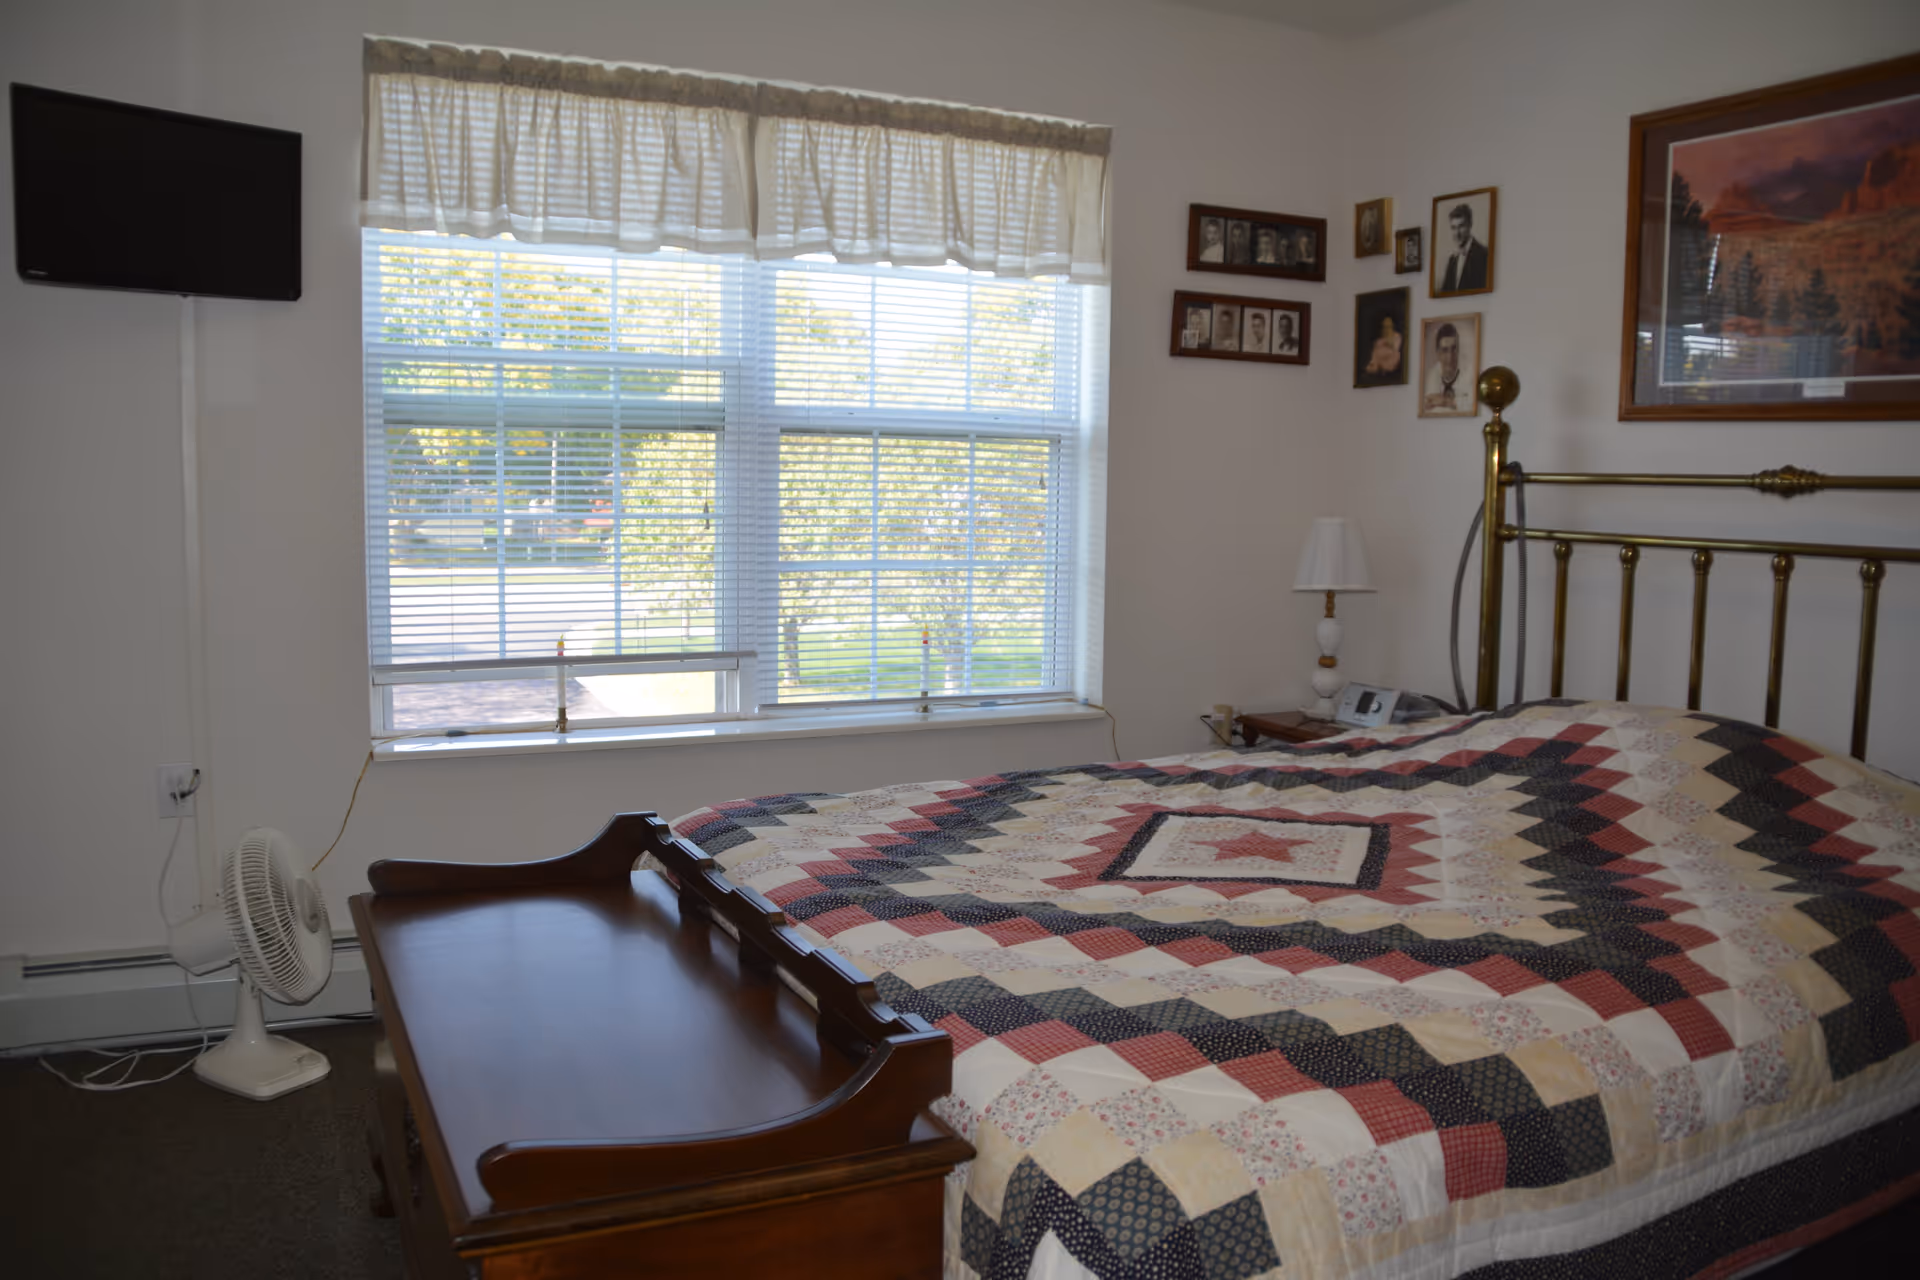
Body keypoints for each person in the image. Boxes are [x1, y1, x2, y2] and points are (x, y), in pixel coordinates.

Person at [1438, 202, 1488, 292]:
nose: (1457, 233)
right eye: (1453, 228)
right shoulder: (1452, 260)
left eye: (1461, 226)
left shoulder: (1484, 255)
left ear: (1470, 225)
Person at [1423, 322, 1466, 411]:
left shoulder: (1469, 372)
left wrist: (1445, 401)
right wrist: (1455, 402)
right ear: (1438, 353)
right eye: (1445, 350)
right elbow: (1428, 406)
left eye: (1453, 349)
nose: (1450, 356)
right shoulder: (1432, 375)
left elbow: (1470, 405)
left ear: (1458, 350)